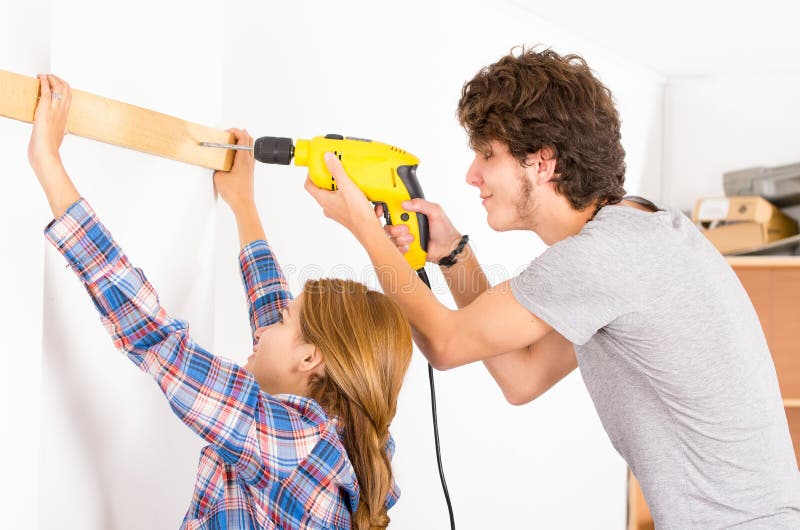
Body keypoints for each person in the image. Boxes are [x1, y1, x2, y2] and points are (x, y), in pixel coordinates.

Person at [305, 48, 800, 528]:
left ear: (541, 162)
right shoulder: (641, 231)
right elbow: (524, 376)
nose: (471, 175)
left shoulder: (602, 256)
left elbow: (446, 343)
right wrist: (455, 254)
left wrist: (362, 226)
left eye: (486, 154)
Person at [29, 74, 412, 530]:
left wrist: (49, 164)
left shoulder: (293, 443)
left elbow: (155, 339)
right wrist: (243, 204)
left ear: (312, 357)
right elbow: (275, 318)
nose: (268, 325)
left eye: (286, 320)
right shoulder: (345, 436)